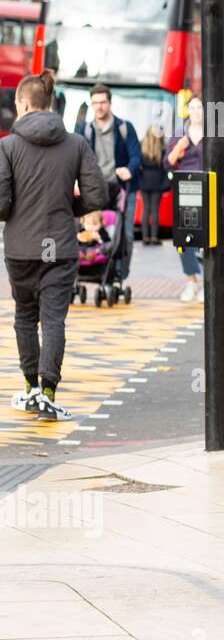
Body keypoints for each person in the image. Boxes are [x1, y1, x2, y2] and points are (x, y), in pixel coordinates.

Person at [0, 70, 109, 421]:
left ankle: (31, 388)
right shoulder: (76, 143)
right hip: (58, 246)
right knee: (53, 320)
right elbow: (97, 195)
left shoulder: (8, 146)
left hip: (21, 247)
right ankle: (49, 391)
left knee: (24, 316)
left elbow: (1, 205)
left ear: (23, 103)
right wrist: (67, 209)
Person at [166, 95, 224, 302]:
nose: (196, 112)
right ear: (187, 111)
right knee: (183, 239)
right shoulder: (178, 135)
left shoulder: (216, 134)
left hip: (209, 193)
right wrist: (179, 148)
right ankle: (191, 281)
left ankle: (208, 282)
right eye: (193, 108)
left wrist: (221, 184)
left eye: (200, 108)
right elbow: (167, 163)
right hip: (186, 193)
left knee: (209, 239)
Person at [77, 83, 141, 267]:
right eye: (95, 102)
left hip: (122, 190)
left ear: (110, 103)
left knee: (125, 235)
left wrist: (129, 169)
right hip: (96, 191)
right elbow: (76, 157)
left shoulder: (124, 128)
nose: (99, 106)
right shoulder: (85, 130)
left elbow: (136, 155)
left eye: (103, 102)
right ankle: (99, 270)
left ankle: (120, 272)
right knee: (93, 231)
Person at [138, 124, 169, 245]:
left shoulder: (142, 147)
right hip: (158, 181)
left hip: (144, 180)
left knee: (146, 209)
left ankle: (145, 237)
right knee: (155, 210)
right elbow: (165, 165)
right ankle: (154, 237)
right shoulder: (162, 148)